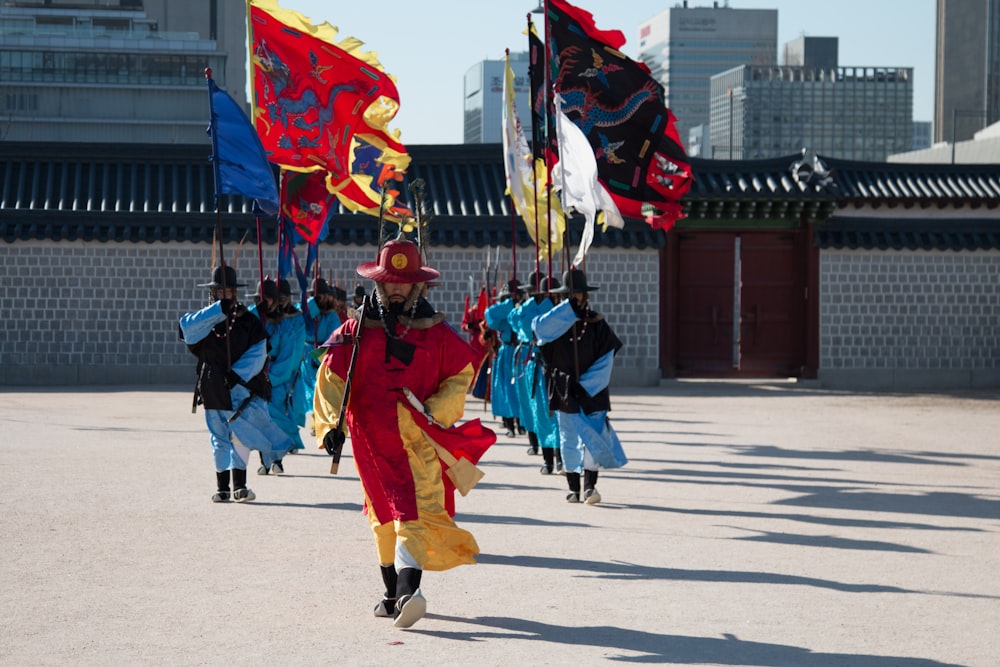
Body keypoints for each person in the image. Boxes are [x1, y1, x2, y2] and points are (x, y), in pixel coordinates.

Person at [312, 239, 490, 629]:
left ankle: (410, 592)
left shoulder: (436, 331)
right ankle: (392, 594)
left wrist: (436, 410)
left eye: (404, 283)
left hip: (417, 438)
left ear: (417, 286)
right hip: (369, 440)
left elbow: (460, 375)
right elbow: (330, 378)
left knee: (413, 507)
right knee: (380, 514)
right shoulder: (356, 330)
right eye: (390, 282)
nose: (396, 289)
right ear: (379, 284)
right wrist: (330, 427)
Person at [179, 265, 294, 503]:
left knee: (241, 435)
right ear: (212, 293)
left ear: (235, 292)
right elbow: (186, 328)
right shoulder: (203, 320)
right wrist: (215, 312)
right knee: (218, 436)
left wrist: (239, 374)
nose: (225, 295)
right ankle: (221, 488)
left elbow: (259, 350)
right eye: (219, 291)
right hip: (212, 385)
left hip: (241, 387)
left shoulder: (247, 321)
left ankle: (240, 487)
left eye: (228, 291)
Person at [533, 268, 628, 504]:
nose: (576, 297)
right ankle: (573, 487)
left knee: (594, 435)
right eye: (571, 294)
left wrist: (587, 385)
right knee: (568, 437)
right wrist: (567, 312)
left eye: (579, 294)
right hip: (564, 387)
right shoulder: (555, 324)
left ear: (586, 295)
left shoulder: (596, 324)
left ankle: (590, 487)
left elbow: (606, 357)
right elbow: (538, 330)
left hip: (592, 389)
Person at [247, 278, 306, 468]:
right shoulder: (252, 317)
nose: (266, 303)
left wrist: (270, 378)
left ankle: (277, 459)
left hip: (275, 379)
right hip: (252, 375)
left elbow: (287, 357)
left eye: (269, 299)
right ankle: (265, 461)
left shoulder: (285, 325)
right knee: (256, 420)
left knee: (274, 418)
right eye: (261, 299)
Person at [510, 273, 564, 472]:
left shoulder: (555, 310)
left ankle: (558, 458)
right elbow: (517, 324)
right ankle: (550, 459)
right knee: (541, 411)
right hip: (537, 363)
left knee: (558, 414)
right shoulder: (537, 310)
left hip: (556, 366)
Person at [297, 277, 342, 434]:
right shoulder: (308, 310)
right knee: (310, 390)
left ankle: (320, 423)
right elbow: (300, 317)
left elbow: (335, 335)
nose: (321, 299)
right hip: (307, 354)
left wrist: (322, 354)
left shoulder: (331, 315)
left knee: (320, 388)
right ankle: (316, 421)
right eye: (317, 296)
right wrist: (313, 304)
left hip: (324, 352)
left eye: (323, 296)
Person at [484, 279, 524, 437]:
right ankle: (509, 424)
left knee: (521, 389)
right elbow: (489, 315)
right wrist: (509, 304)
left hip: (521, 352)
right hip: (507, 352)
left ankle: (522, 423)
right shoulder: (502, 311)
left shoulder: (524, 308)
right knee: (506, 389)